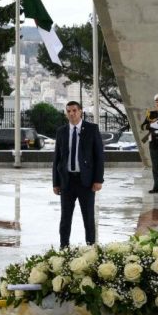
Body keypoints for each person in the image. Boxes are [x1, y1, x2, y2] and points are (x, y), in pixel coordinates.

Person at [52, 101, 104, 248]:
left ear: (80, 111)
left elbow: (99, 156)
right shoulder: (61, 131)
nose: (71, 113)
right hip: (67, 181)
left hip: (86, 182)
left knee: (88, 217)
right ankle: (64, 247)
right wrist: (56, 183)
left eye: (74, 110)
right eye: (68, 111)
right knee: (65, 217)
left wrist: (98, 180)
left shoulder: (92, 129)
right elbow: (57, 158)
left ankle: (91, 247)